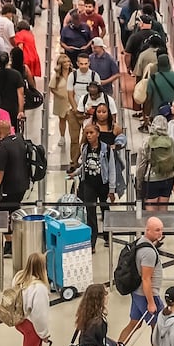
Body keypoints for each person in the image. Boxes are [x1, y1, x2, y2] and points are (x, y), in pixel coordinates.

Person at [117, 217, 165, 346]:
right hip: (147, 295)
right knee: (157, 327)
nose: (160, 233)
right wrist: (151, 303)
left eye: (161, 230)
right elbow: (146, 279)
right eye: (157, 230)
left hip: (137, 293)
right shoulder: (148, 252)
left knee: (134, 324)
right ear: (147, 230)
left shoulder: (141, 242)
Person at [68, 124, 117, 252]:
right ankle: (92, 242)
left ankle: (107, 236)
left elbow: (111, 168)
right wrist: (76, 173)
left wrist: (112, 189)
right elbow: (84, 165)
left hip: (103, 184)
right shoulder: (84, 148)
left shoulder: (106, 149)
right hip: (89, 184)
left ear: (97, 133)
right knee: (90, 213)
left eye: (91, 133)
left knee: (105, 209)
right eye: (86, 133)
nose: (88, 135)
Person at [12, 253, 54, 346]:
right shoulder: (39, 288)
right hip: (31, 325)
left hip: (19, 320)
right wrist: (44, 334)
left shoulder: (19, 277)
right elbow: (39, 316)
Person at [0, 120, 30, 257]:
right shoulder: (19, 140)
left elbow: (0, 172)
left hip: (9, 187)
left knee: (3, 215)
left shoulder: (3, 147)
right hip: (22, 184)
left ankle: (10, 244)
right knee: (14, 211)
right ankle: (13, 243)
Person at [137, 116, 174, 211]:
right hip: (168, 178)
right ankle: (163, 225)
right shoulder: (172, 141)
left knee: (151, 207)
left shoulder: (147, 142)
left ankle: (153, 225)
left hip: (151, 179)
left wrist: (139, 182)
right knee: (163, 206)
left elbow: (140, 166)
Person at [66, 53, 100, 168]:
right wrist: (76, 109)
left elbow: (98, 94)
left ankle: (85, 160)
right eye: (81, 64)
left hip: (89, 114)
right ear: (77, 64)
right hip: (74, 112)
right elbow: (70, 94)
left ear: (89, 63)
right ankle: (74, 162)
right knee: (74, 139)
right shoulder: (73, 76)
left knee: (87, 138)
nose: (84, 66)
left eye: (86, 63)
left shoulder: (95, 76)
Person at [0, 51, 26, 129]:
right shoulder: (16, 75)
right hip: (13, 109)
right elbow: (20, 94)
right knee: (12, 131)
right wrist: (20, 111)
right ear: (8, 60)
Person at [146, 54, 174, 125]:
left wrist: (147, 115)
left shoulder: (152, 79)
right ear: (169, 64)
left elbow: (148, 100)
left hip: (157, 116)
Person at [50, 53, 73, 147]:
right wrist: (59, 95)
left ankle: (73, 138)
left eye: (68, 61)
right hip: (61, 102)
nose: (67, 64)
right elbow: (52, 88)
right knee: (62, 120)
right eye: (65, 62)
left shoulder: (73, 74)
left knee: (72, 121)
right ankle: (62, 137)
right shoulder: (57, 76)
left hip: (71, 101)